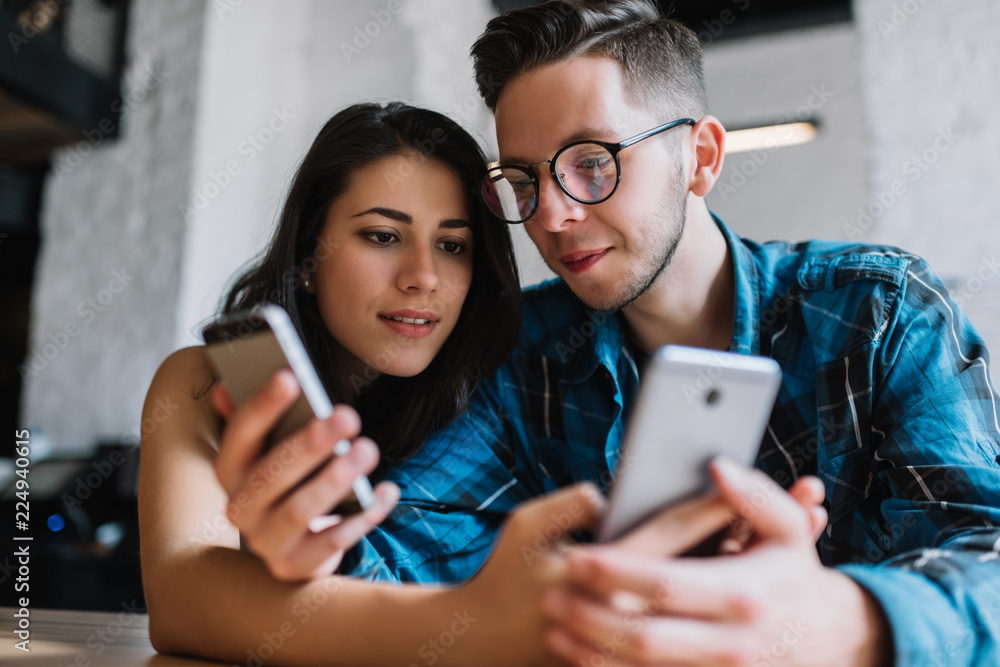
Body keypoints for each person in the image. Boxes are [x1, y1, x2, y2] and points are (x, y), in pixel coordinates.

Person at [335, 1, 1000, 666]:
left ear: (701, 156)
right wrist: (308, 535)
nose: (556, 217)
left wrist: (837, 621)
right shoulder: (520, 356)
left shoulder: (876, 313)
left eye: (591, 163)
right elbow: (392, 565)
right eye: (523, 180)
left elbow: (986, 559)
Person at [140, 100, 827, 666]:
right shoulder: (203, 387)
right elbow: (182, 606)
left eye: (454, 244)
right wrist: (475, 623)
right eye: (382, 236)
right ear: (310, 254)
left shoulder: (501, 386)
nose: (424, 277)